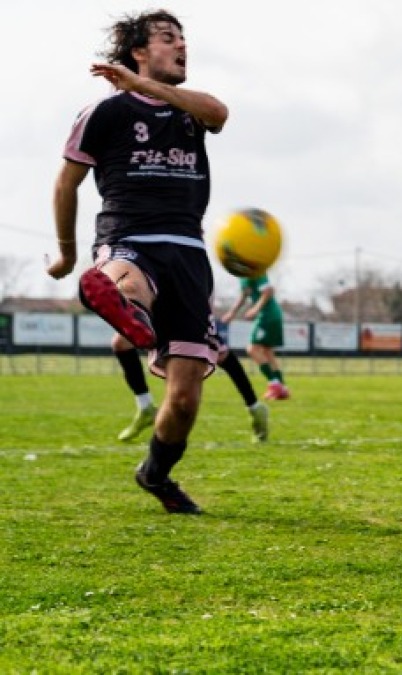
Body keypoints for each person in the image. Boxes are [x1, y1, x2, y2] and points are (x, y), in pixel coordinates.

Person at [47, 9, 230, 514]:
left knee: (186, 400)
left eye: (184, 38)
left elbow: (219, 113)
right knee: (126, 282)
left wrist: (151, 88)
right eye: (169, 38)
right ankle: (123, 305)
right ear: (138, 53)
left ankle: (155, 473)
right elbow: (67, 183)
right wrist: (65, 253)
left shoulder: (193, 109)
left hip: (189, 253)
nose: (182, 45)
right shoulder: (104, 113)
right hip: (130, 236)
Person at [113, 333, 270, 443]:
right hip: (157, 301)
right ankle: (145, 406)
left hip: (187, 303)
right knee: (121, 343)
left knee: (220, 355)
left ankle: (255, 407)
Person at [221, 273, 290, 400]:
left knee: (252, 349)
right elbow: (244, 295)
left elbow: (268, 291)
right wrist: (232, 313)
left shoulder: (256, 269)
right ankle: (282, 388)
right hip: (270, 314)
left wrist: (255, 309)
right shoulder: (243, 275)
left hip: (267, 314)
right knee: (267, 351)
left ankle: (274, 384)